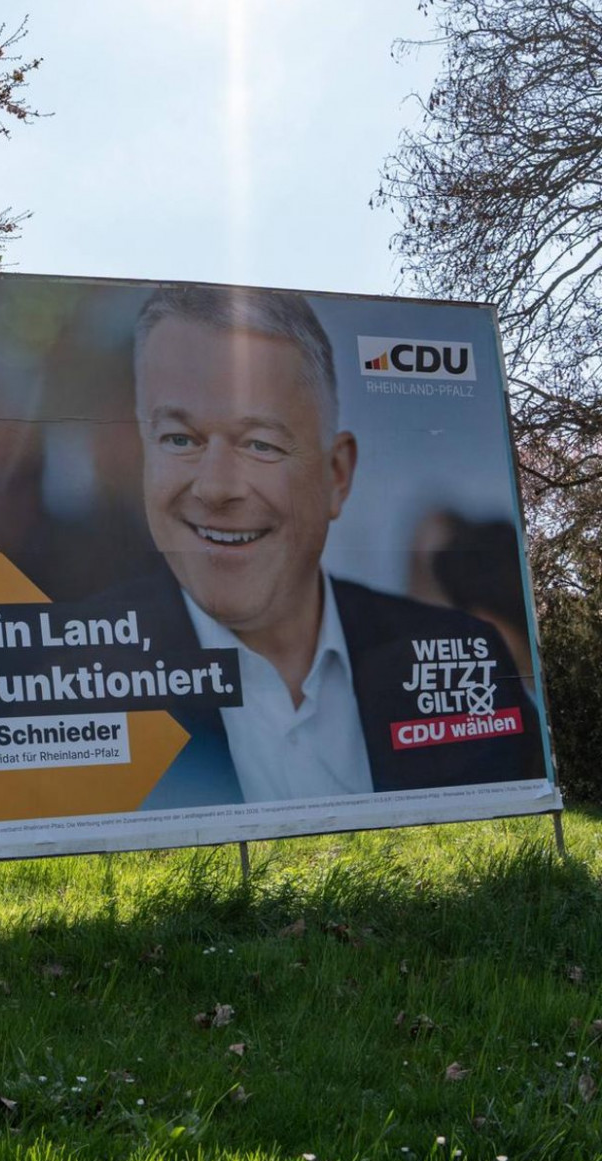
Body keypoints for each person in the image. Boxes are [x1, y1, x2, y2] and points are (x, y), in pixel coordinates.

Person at [130, 284, 545, 805]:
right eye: (180, 439)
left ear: (336, 474)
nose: (215, 488)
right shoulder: (69, 680)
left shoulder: (468, 653)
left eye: (261, 444)